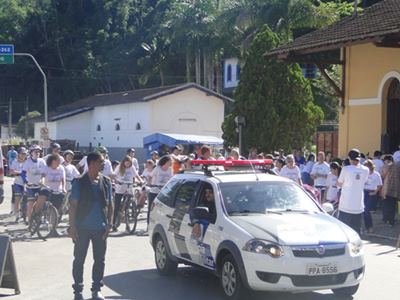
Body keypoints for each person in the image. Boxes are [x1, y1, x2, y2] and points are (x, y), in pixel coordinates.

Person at [69, 152, 113, 300]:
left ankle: (96, 290)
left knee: (100, 259)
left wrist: (109, 224)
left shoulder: (106, 182)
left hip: (100, 228)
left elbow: (111, 205)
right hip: (82, 227)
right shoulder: (79, 182)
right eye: (101, 161)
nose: (104, 163)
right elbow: (73, 205)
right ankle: (78, 291)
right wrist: (72, 227)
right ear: (92, 163)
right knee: (79, 259)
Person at [337, 149, 369, 234]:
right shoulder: (366, 170)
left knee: (344, 232)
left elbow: (339, 183)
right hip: (358, 206)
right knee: (356, 231)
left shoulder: (346, 169)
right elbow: (364, 182)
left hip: (345, 205)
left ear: (349, 158)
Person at [112, 156, 141, 231]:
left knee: (127, 206)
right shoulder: (119, 167)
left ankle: (127, 223)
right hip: (120, 187)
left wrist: (141, 181)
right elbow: (114, 175)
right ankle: (113, 223)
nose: (128, 164)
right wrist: (116, 180)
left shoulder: (132, 167)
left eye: (129, 163)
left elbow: (136, 175)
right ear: (124, 162)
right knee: (117, 206)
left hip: (129, 186)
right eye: (126, 163)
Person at [34, 154, 66, 219]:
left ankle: (53, 223)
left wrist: (63, 188)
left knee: (59, 205)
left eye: (59, 161)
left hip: (57, 190)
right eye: (57, 161)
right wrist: (41, 182)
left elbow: (63, 180)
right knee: (42, 196)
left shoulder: (61, 168)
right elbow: (43, 176)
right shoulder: (46, 168)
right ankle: (36, 213)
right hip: (47, 188)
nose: (58, 163)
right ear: (52, 161)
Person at [22, 145, 46, 222]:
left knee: (42, 201)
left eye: (39, 152)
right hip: (30, 186)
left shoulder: (42, 161)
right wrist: (27, 182)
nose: (37, 153)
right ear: (31, 153)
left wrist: (42, 179)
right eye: (36, 152)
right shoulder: (28, 162)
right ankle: (29, 221)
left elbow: (45, 173)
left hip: (39, 185)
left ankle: (37, 215)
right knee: (31, 204)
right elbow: (23, 173)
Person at [147, 155, 173, 225]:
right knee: (151, 208)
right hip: (154, 190)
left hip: (164, 191)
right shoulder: (157, 168)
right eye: (170, 161)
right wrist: (149, 183)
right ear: (166, 162)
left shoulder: (170, 169)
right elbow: (150, 176)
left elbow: (171, 180)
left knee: (164, 209)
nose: (171, 162)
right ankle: (148, 224)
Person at [363, 160, 382, 233]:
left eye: (367, 166)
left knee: (367, 210)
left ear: (370, 166)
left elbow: (380, 185)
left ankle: (370, 227)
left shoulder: (376, 174)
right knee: (364, 211)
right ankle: (367, 227)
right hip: (364, 192)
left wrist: (375, 192)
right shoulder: (364, 174)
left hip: (372, 193)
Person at [380, 155, 400, 226]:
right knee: (392, 206)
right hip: (395, 190)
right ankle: (391, 221)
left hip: (385, 189)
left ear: (386, 160)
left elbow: (381, 177)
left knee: (385, 205)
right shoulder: (398, 167)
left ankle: (385, 219)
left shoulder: (384, 167)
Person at [9, 147, 28, 222]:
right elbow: (11, 172)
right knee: (17, 199)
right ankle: (17, 216)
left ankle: (24, 214)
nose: (23, 155)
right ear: (19, 154)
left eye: (25, 154)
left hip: (27, 184)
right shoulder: (15, 162)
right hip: (17, 183)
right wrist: (20, 172)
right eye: (22, 153)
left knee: (26, 200)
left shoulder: (28, 162)